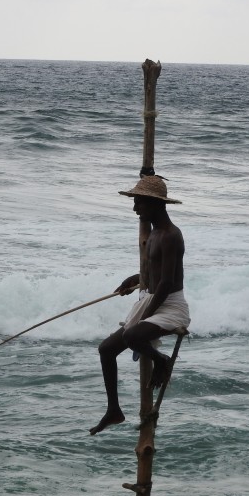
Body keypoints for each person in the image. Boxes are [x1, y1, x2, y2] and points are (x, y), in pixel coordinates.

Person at [89, 176, 190, 436]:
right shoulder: (154, 233)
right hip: (150, 298)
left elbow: (167, 283)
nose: (135, 209)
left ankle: (162, 361)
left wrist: (147, 314)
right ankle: (114, 410)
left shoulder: (171, 235)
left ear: (154, 203)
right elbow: (156, 272)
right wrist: (135, 279)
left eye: (139, 204)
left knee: (133, 335)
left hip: (170, 305)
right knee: (106, 349)